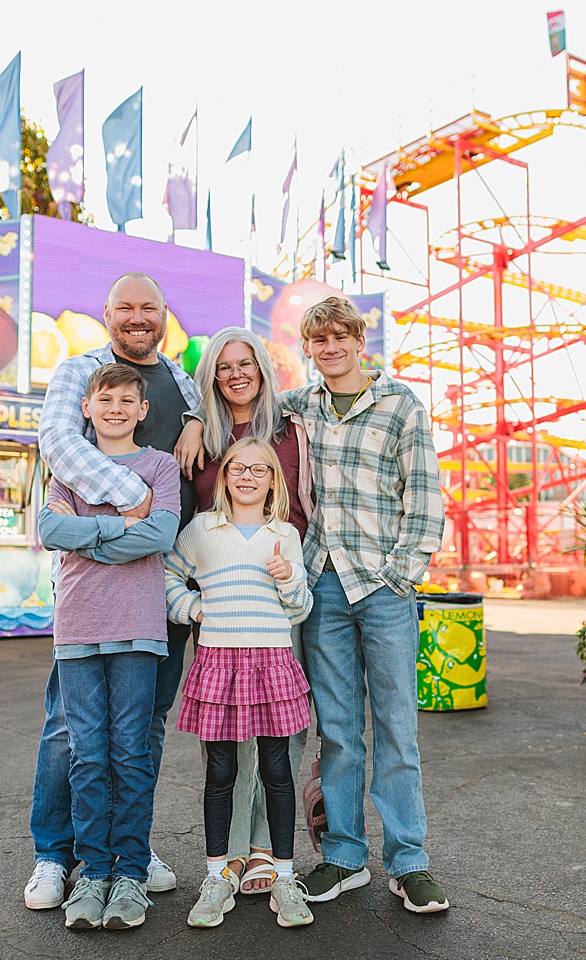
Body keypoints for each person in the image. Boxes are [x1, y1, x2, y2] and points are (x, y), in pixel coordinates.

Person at [176, 296, 447, 913]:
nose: (330, 349)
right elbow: (238, 397)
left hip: (383, 587)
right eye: (319, 341)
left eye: (339, 338)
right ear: (308, 350)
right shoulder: (302, 407)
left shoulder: (400, 404)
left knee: (397, 729)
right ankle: (345, 856)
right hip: (323, 584)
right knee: (339, 731)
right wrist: (193, 417)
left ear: (359, 341)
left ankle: (409, 862)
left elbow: (425, 497)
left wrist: (399, 576)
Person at [26, 273, 199, 910]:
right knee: (70, 731)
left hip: (163, 585)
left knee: (142, 728)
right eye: (125, 307)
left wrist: (197, 420)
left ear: (164, 315)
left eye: (149, 307)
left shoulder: (181, 381)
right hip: (91, 596)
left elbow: (197, 451)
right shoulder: (81, 370)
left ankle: (131, 850)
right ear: (106, 314)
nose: (137, 317)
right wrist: (130, 508)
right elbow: (58, 446)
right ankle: (55, 855)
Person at [37, 362, 181, 930]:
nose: (116, 409)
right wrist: (119, 528)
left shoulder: (160, 465)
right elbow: (51, 532)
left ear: (143, 410)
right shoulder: (69, 467)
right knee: (88, 755)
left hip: (139, 628)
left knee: (129, 753)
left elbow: (161, 534)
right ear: (87, 408)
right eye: (106, 399)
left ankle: (130, 873)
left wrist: (87, 539)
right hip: (77, 628)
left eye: (127, 400)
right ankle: (93, 871)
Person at [178, 327, 312, 895]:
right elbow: (187, 533)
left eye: (246, 363)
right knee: (225, 740)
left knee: (279, 738)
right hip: (223, 598)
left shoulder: (290, 427)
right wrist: (192, 604)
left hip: (279, 586)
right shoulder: (201, 435)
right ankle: (229, 855)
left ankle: (265, 850)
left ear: (262, 368)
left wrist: (291, 575)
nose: (236, 374)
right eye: (224, 366)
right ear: (211, 375)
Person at [165, 438, 315, 928]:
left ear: (273, 480)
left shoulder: (284, 535)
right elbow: (167, 575)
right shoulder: (203, 530)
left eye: (259, 469)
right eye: (237, 468)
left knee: (277, 770)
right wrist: (193, 608)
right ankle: (216, 878)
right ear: (224, 476)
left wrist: (289, 577)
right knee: (221, 772)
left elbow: (300, 608)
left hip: (272, 660)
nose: (247, 476)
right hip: (219, 660)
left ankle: (284, 877)